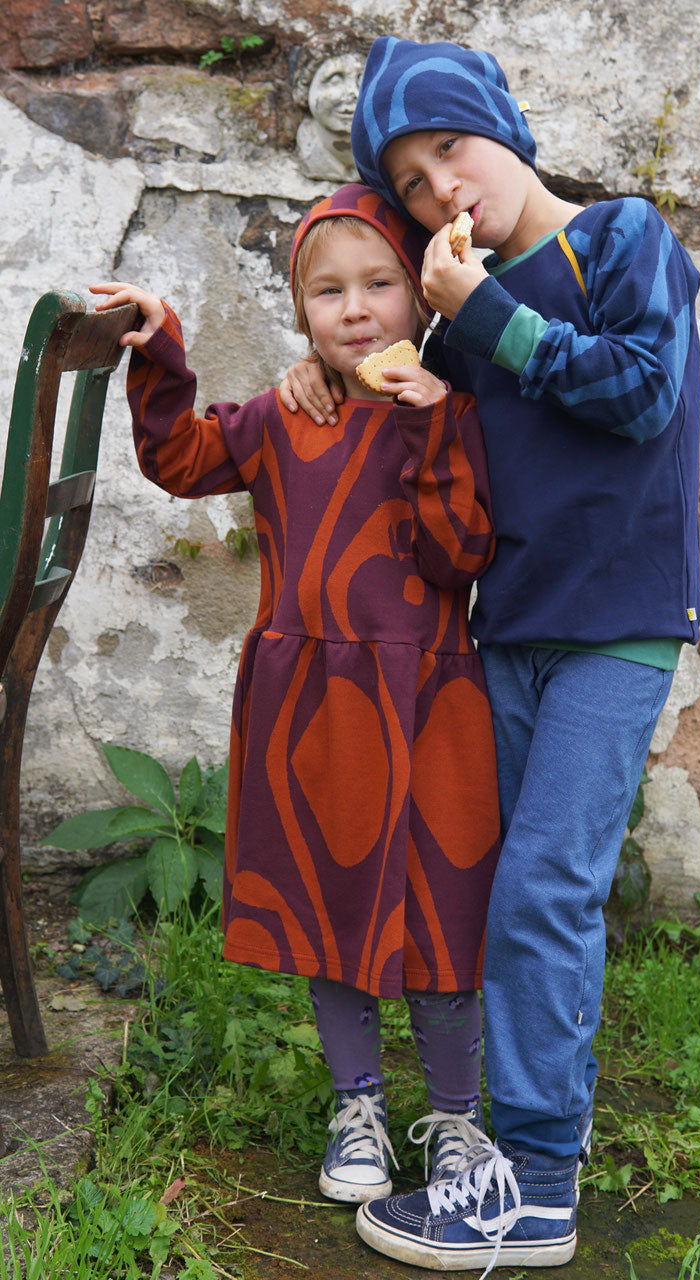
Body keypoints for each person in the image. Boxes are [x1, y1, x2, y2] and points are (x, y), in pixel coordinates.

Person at [278, 36, 700, 1276]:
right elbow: (396, 389)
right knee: (502, 892)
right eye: (407, 181)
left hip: (616, 628)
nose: (438, 192)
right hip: (504, 630)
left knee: (544, 892)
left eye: (450, 150)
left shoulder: (624, 239)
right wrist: (330, 366)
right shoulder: (462, 312)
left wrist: (482, 313)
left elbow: (638, 396)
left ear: (506, 130)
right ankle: (514, 1145)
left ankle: (537, 1187)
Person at [90, 181, 501, 1207]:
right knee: (334, 907)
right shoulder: (282, 415)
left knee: (442, 917)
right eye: (327, 292)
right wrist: (162, 347)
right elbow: (180, 458)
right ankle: (355, 1100)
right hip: (313, 709)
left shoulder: (453, 412)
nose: (356, 308)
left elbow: (464, 552)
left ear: (423, 297)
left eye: (380, 284)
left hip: (428, 703)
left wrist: (434, 428)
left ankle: (457, 1116)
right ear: (300, 312)